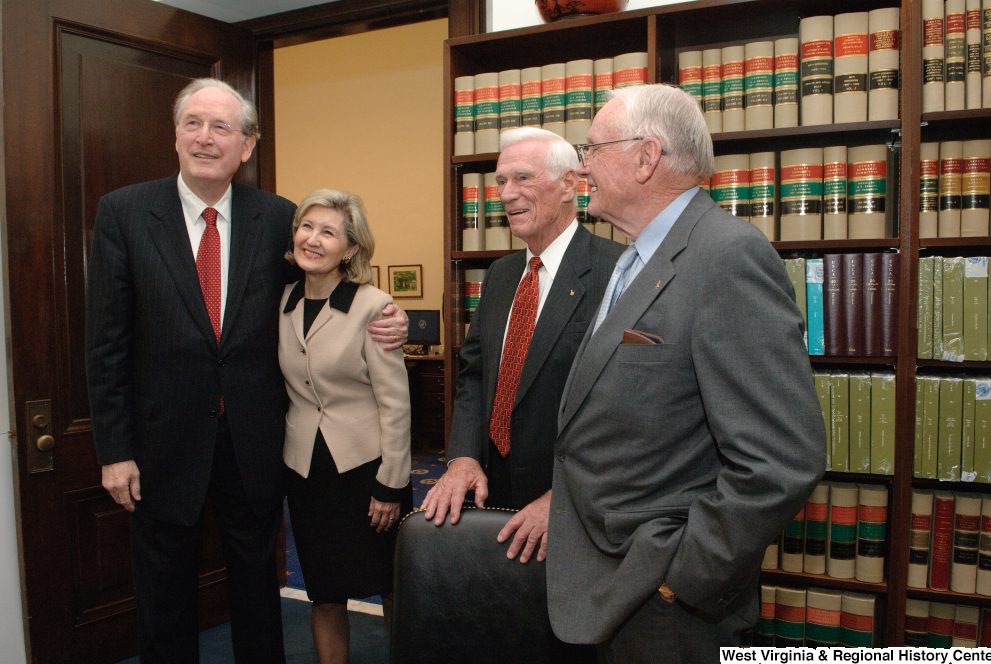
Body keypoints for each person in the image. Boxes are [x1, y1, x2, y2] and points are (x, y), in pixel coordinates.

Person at [84, 78, 408, 664]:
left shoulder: (280, 218)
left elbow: (323, 292)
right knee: (163, 601)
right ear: (176, 134)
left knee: (259, 596)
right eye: (194, 124)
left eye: (222, 128)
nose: (206, 139)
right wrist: (114, 449)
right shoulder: (125, 213)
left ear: (247, 144)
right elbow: (106, 343)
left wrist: (389, 316)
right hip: (162, 447)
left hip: (258, 445)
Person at [547, 84, 827, 661]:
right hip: (607, 581)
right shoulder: (635, 256)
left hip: (665, 604)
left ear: (646, 157)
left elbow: (781, 459)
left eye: (593, 148)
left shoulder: (725, 255)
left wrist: (684, 579)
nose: (581, 165)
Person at [422, 127, 621, 564]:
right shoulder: (499, 275)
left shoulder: (617, 272)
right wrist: (461, 459)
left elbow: (622, 409)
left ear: (570, 184)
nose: (506, 194)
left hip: (571, 507)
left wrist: (565, 498)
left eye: (523, 178)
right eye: (500, 181)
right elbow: (474, 375)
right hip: (491, 495)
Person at [280, 189, 411, 664]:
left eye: (328, 232)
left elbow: (395, 403)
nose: (312, 239)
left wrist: (391, 485)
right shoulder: (283, 301)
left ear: (351, 249)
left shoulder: (373, 306)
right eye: (306, 226)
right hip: (306, 471)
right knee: (324, 590)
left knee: (390, 584)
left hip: (366, 469)